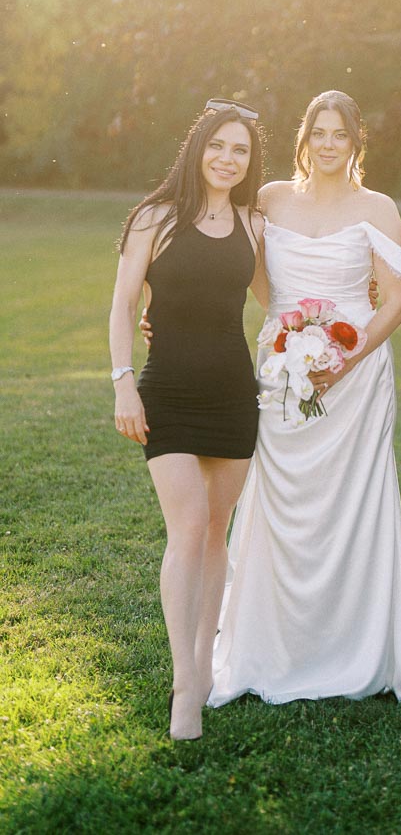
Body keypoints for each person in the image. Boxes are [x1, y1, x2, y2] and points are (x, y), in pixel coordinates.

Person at [207, 90, 401, 707]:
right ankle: (277, 644)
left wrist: (341, 358)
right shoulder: (269, 198)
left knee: (353, 503)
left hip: (358, 372)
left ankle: (361, 642)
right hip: (282, 367)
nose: (328, 144)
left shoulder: (377, 207)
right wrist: (290, 334)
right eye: (318, 132)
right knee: (280, 499)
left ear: (355, 143)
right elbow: (251, 272)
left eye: (340, 135)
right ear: (304, 137)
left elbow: (398, 302)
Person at [109, 98, 265, 740]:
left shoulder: (255, 221)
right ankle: (183, 686)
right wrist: (124, 386)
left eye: (241, 150)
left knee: (216, 532)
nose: (227, 159)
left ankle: (205, 664)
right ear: (197, 146)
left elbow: (280, 299)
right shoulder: (156, 217)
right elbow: (122, 308)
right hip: (166, 390)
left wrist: (341, 308)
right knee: (190, 525)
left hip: (234, 391)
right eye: (218, 146)